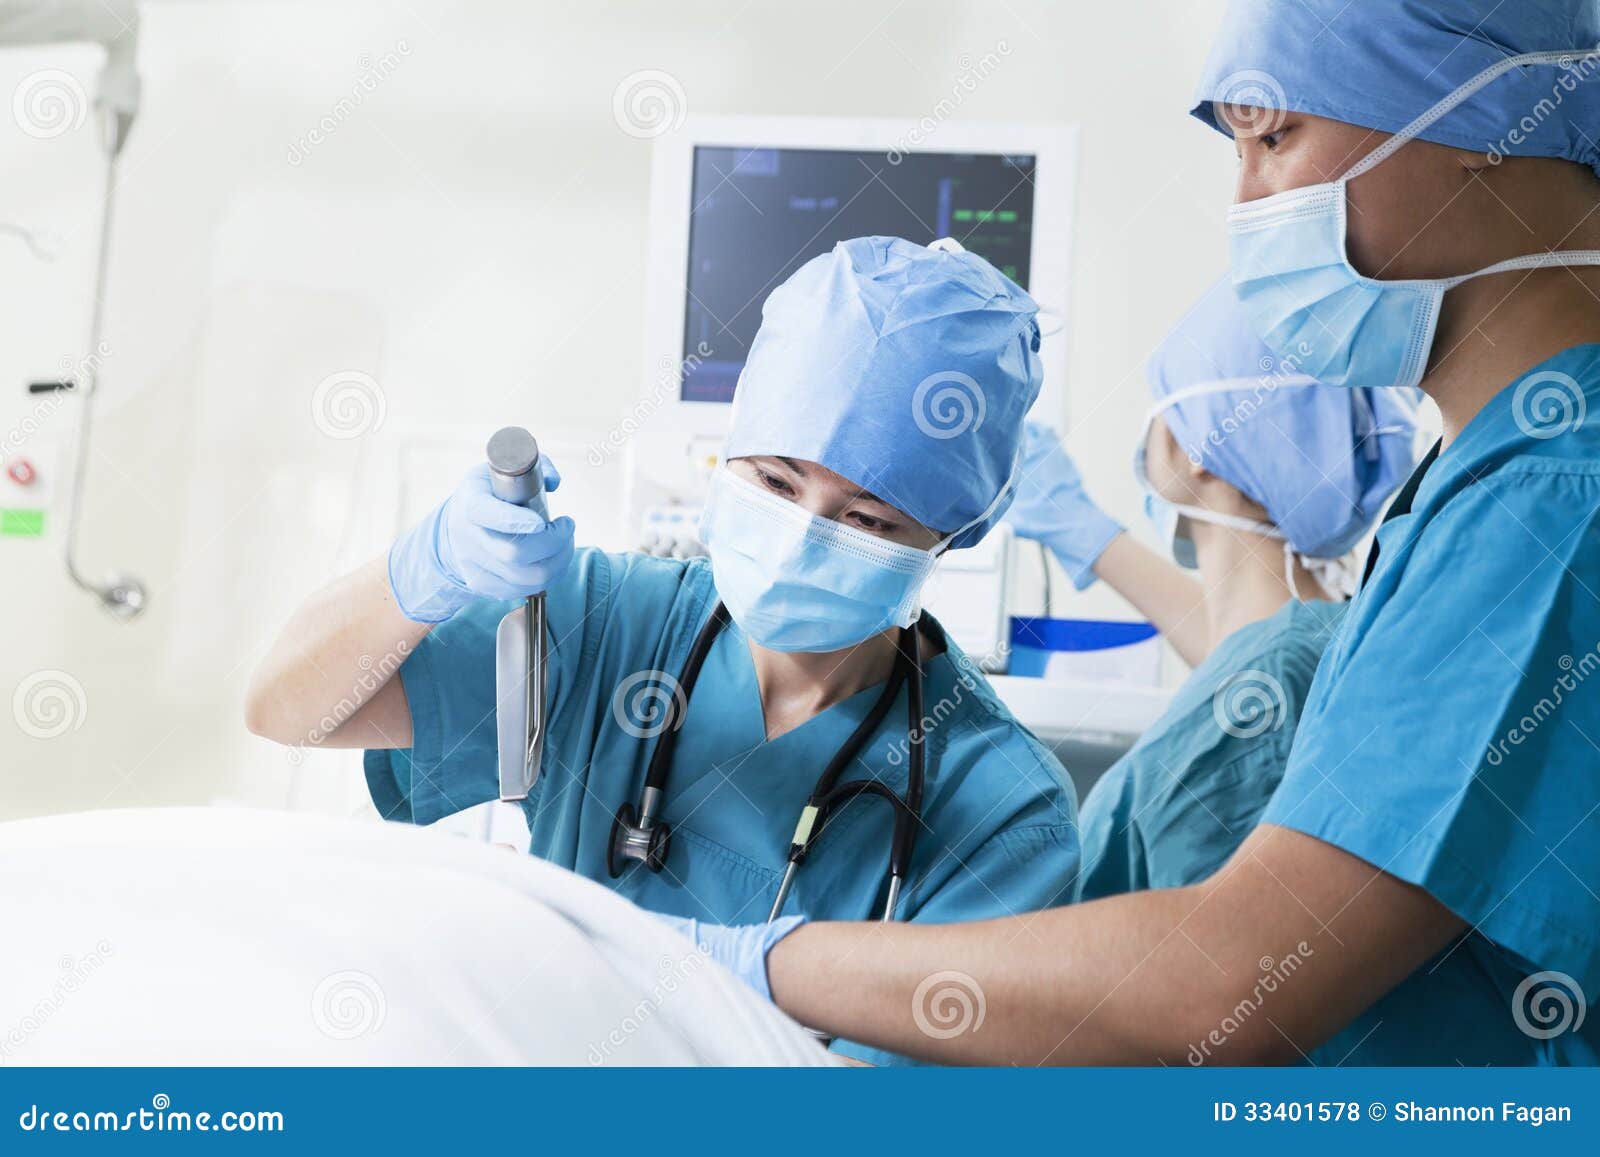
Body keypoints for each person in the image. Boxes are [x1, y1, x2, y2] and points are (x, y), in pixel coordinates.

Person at [657, 0, 1600, 1066]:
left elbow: (1224, 983)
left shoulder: (1556, 494)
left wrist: (755, 962)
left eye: (1273, 138)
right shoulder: (1483, 484)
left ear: (1486, 121)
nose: (1247, 206)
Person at [245, 236, 1081, 1066]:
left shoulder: (1003, 808)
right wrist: (422, 569)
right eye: (778, 483)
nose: (800, 539)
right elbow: (286, 707)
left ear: (953, 531)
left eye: (867, 520)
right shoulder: (606, 621)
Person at [1006, 282, 1415, 907]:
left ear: (1196, 449)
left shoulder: (1257, 696)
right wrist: (1090, 537)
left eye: (1161, 406)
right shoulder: (1322, 635)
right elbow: (1238, 647)